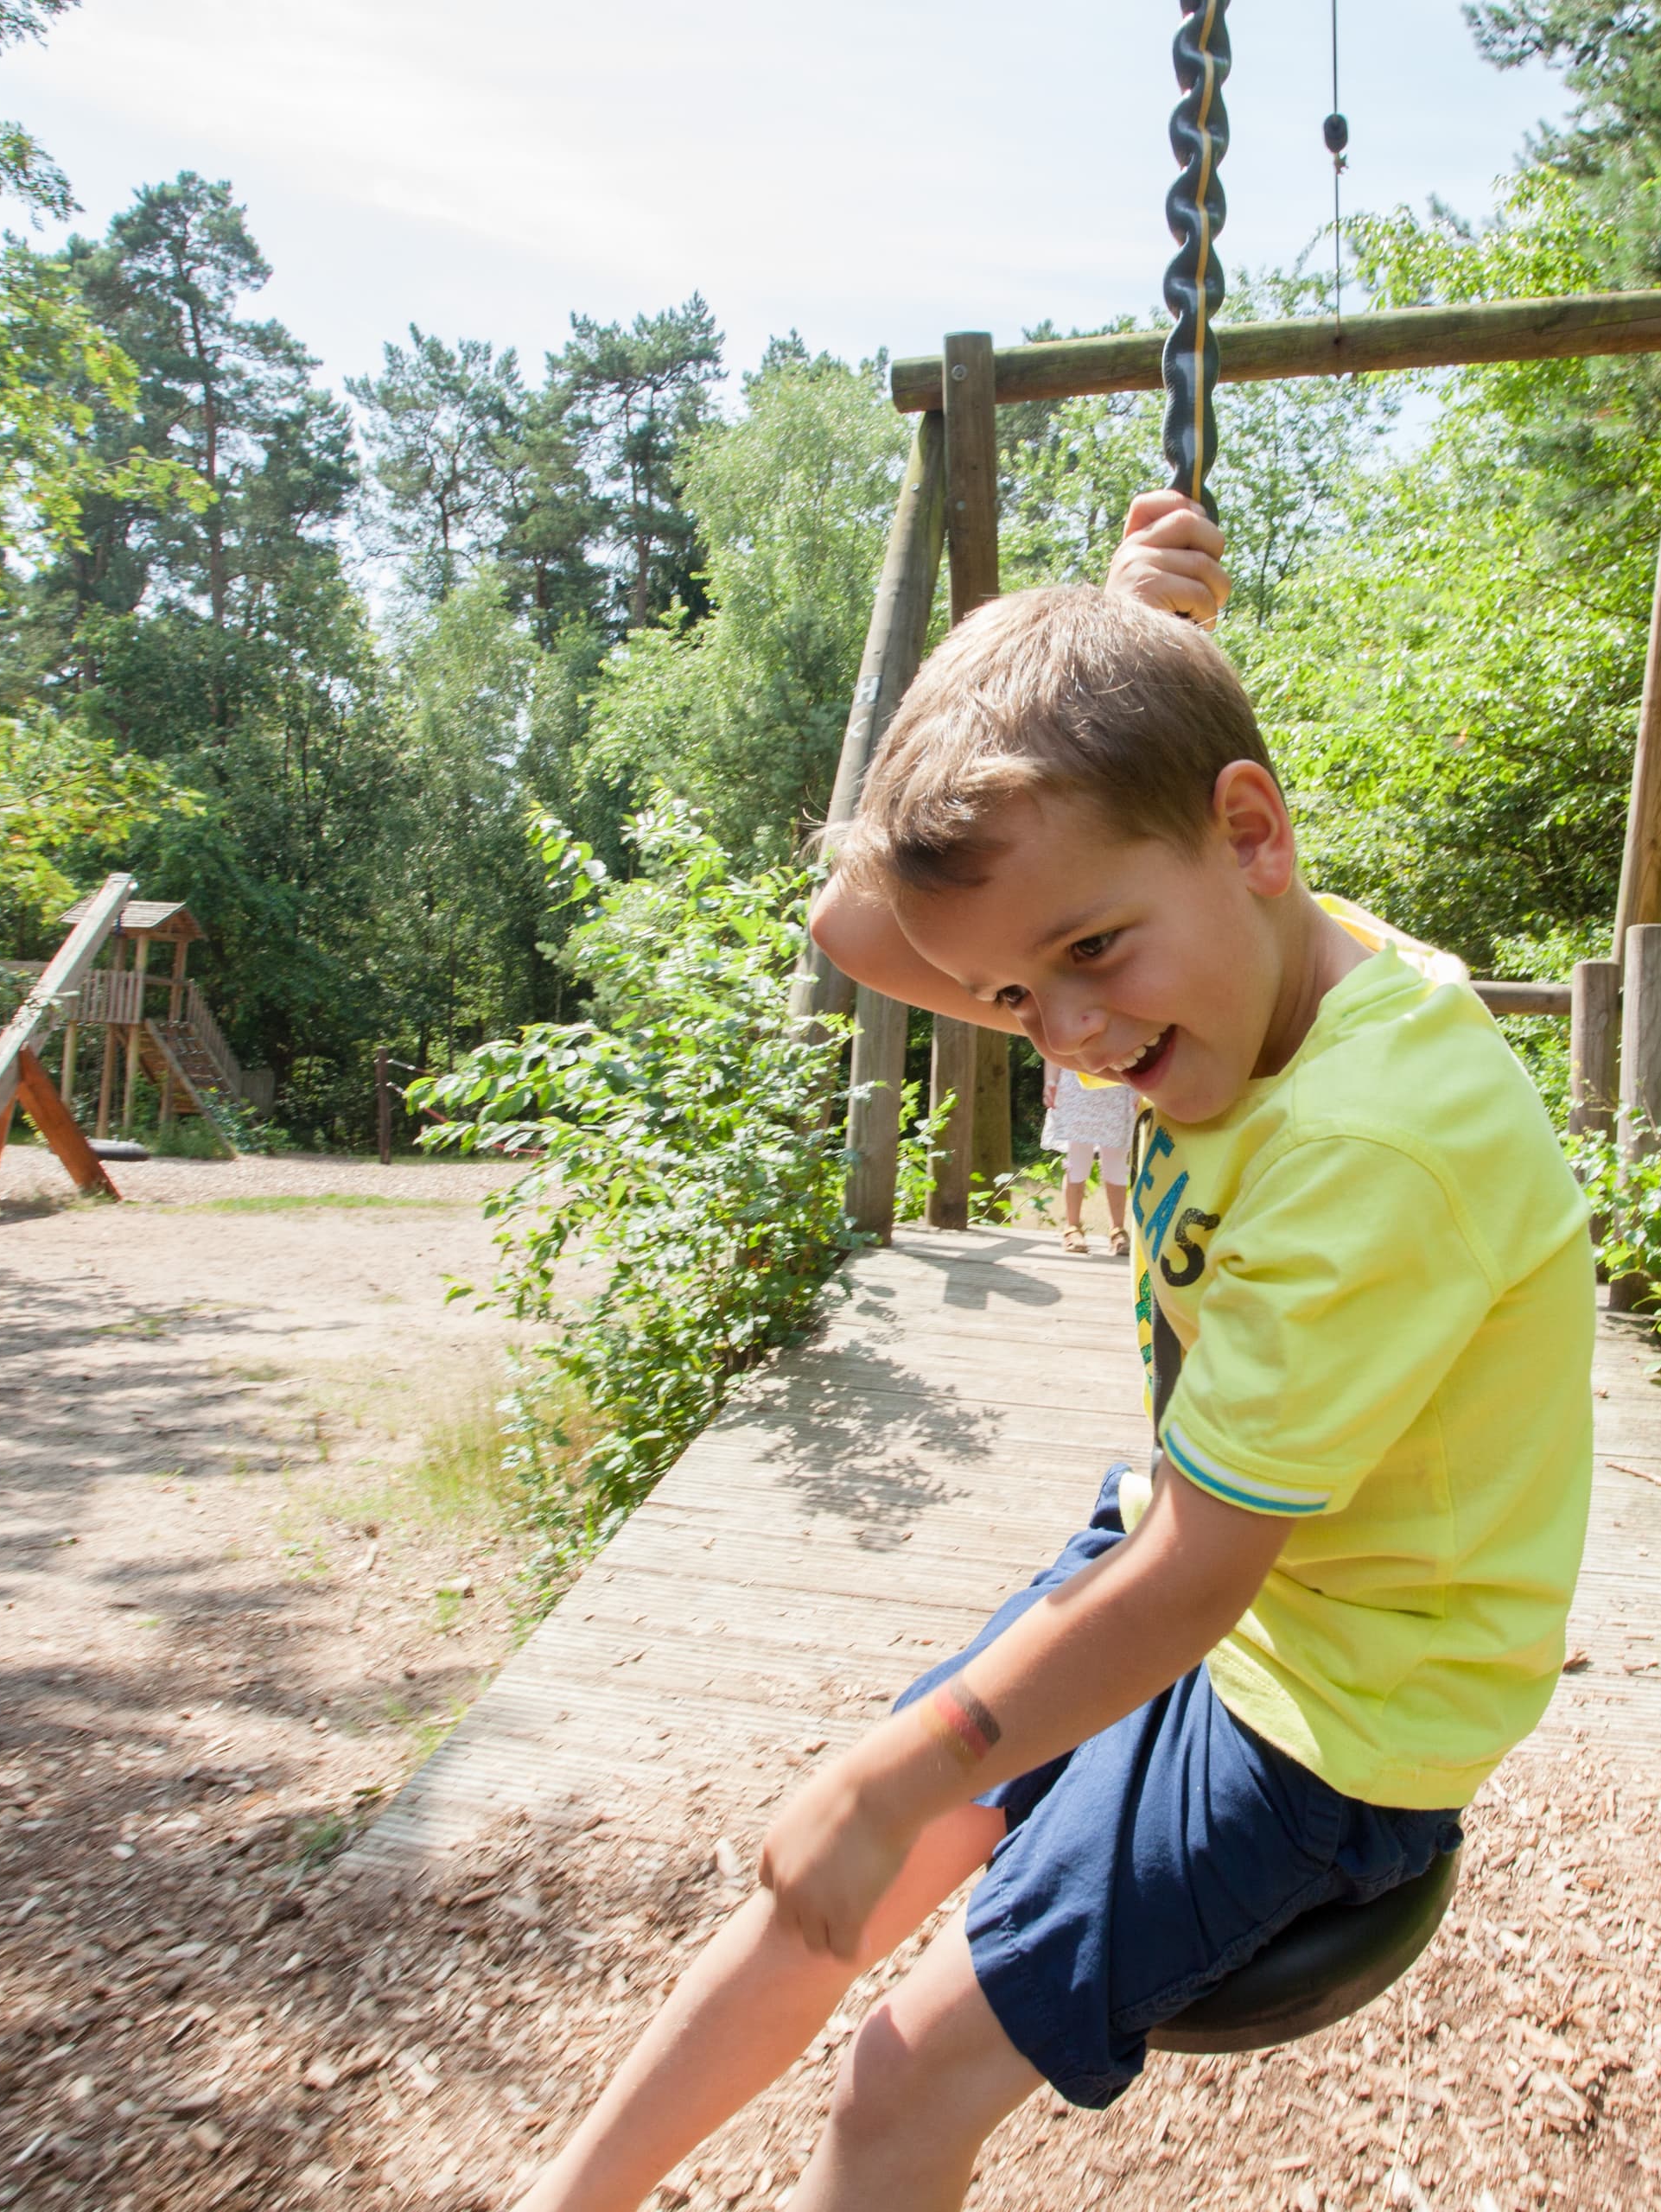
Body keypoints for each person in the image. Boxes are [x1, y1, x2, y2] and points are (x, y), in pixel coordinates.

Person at [512, 493, 1594, 2212]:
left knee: (894, 2085)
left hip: (1340, 1704)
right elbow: (860, 931)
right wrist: (1105, 641)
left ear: (1257, 832)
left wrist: (905, 1762)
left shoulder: (1378, 1138)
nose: (1073, 1037)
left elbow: (1196, 1580)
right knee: (825, 1891)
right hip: (1205, 1553)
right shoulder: (1214, 944)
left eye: (1091, 955)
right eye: (1017, 997)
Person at [1038, 1052, 1135, 1255]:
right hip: (1077, 1090)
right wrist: (1050, 1080)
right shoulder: (1068, 1019)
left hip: (1117, 1088)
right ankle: (1072, 1228)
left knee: (1116, 1164)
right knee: (1077, 1162)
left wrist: (1138, 1088)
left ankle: (1118, 1230)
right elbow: (1053, 1045)